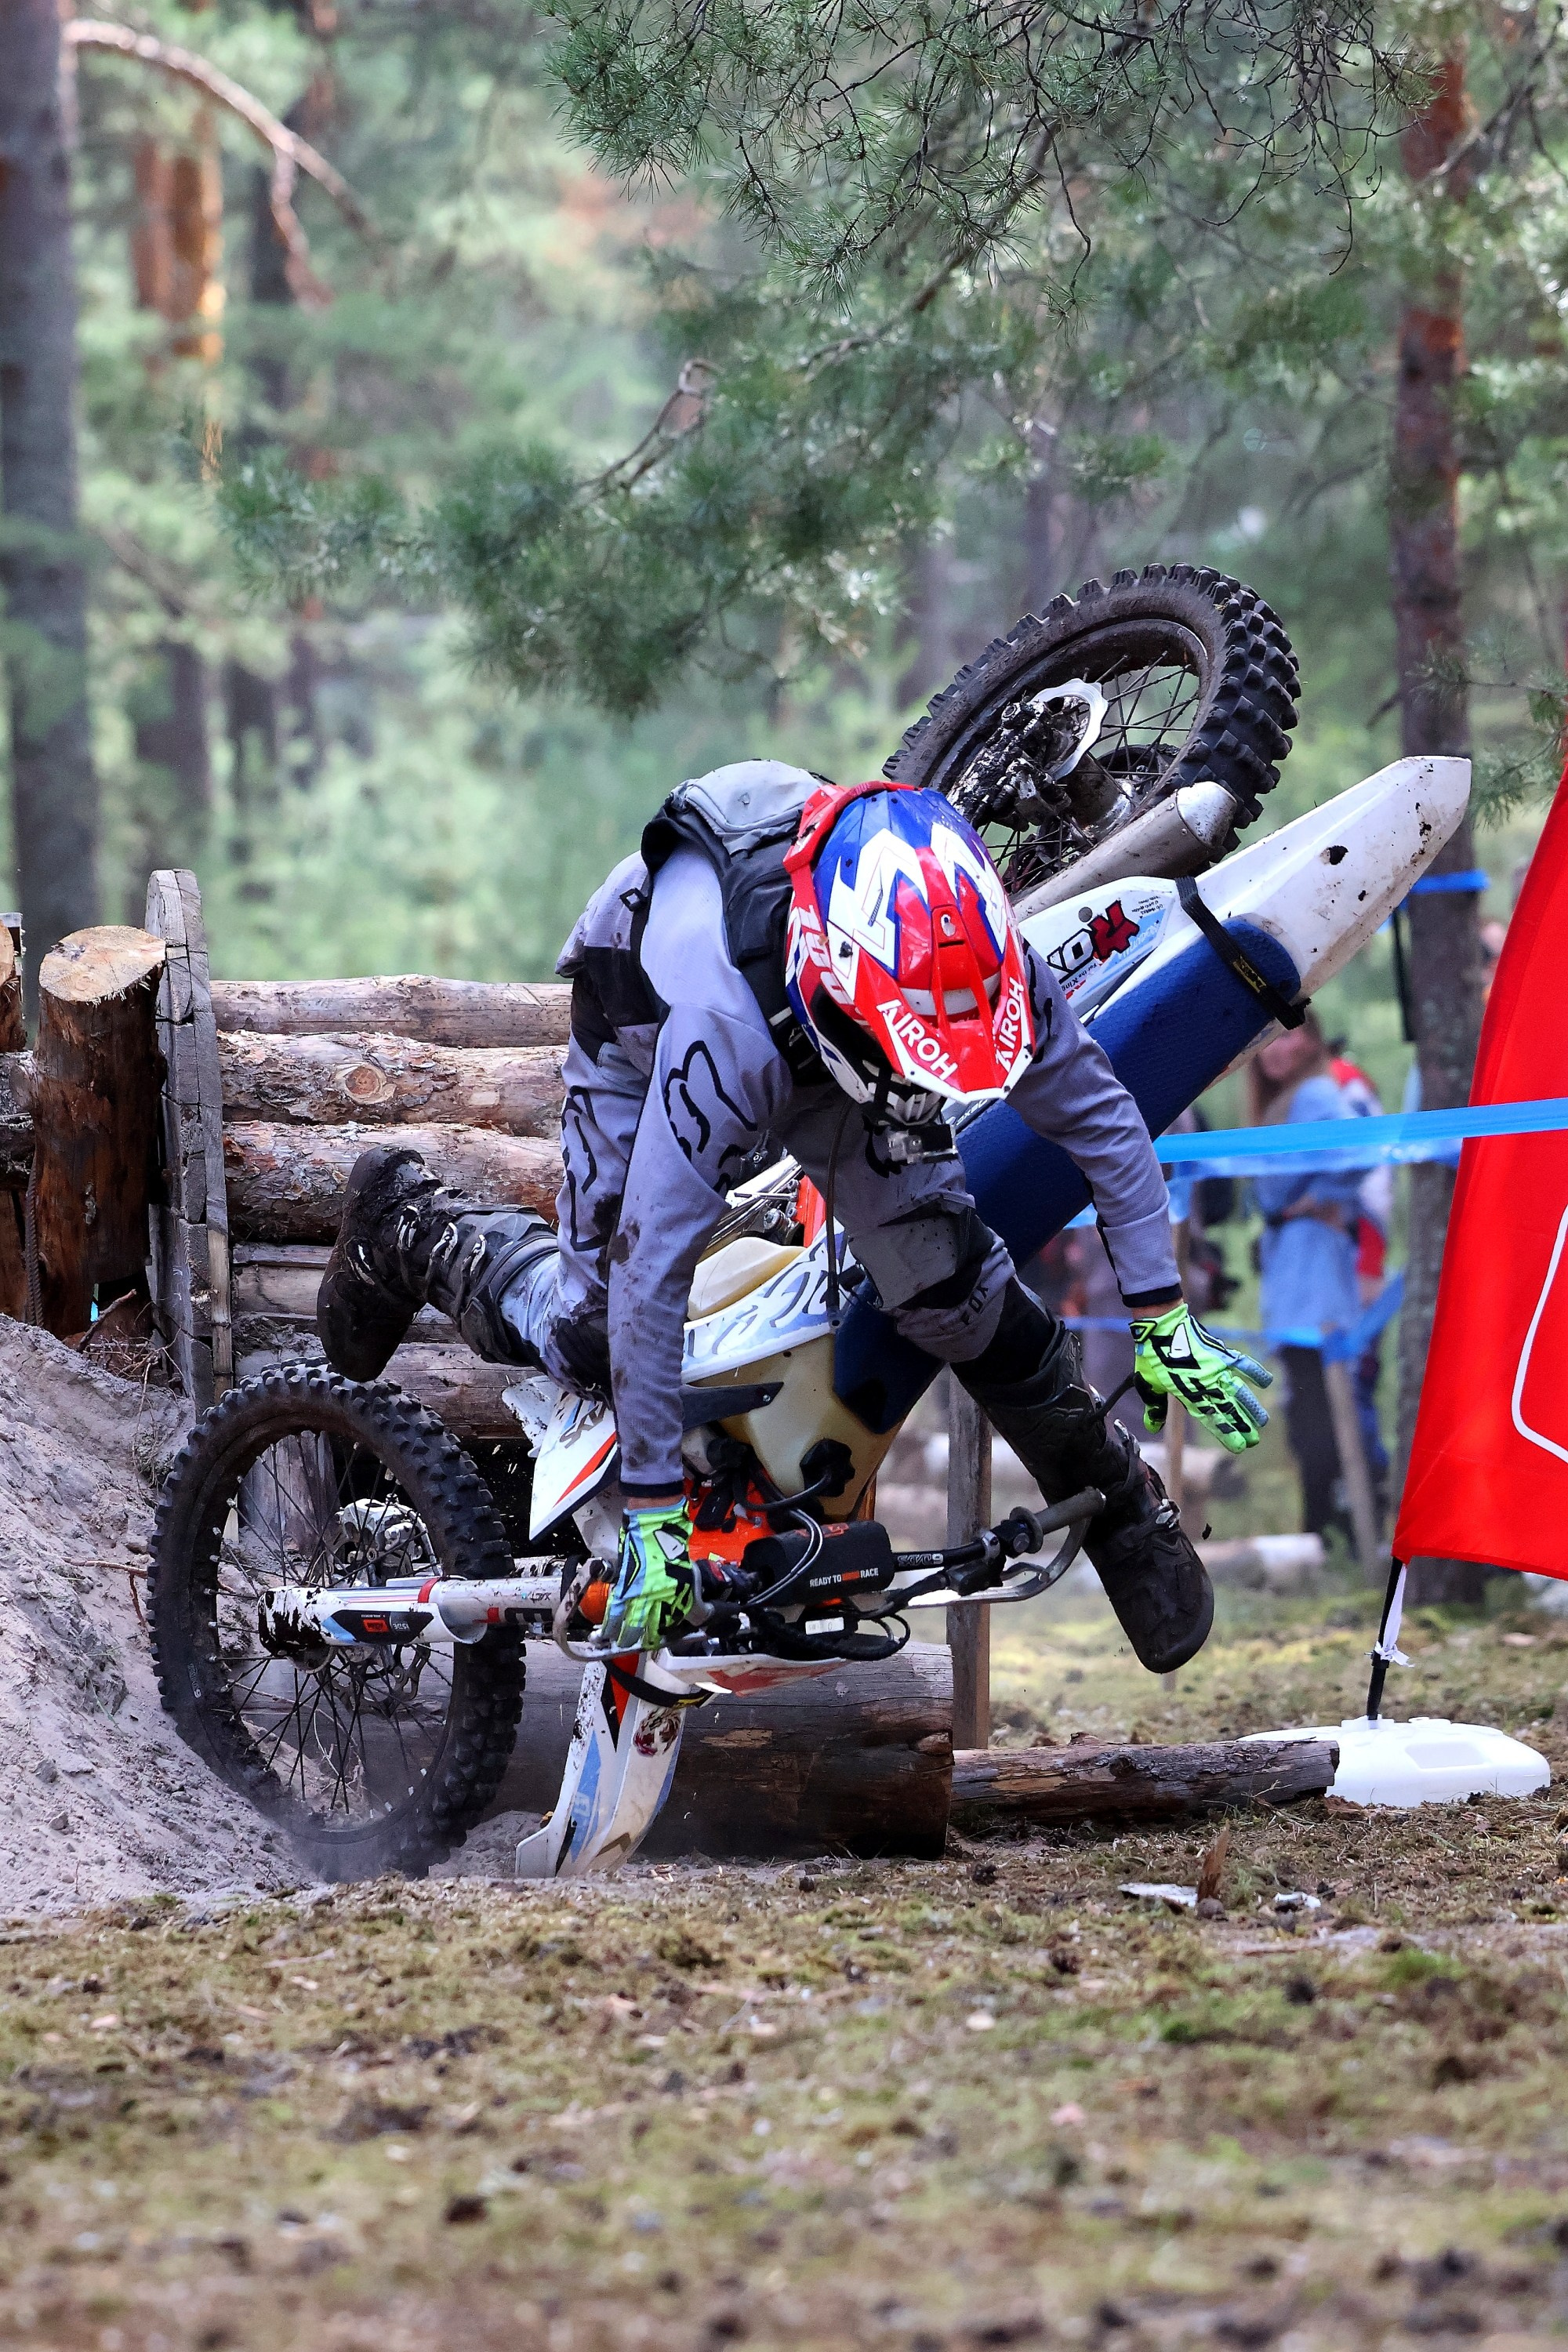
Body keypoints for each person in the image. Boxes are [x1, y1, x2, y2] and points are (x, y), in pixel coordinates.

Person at [317, 762, 1272, 1675]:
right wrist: (652, 1513)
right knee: (590, 1331)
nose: (926, 1088)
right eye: (914, 1063)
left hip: (838, 1006)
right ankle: (408, 1221)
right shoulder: (719, 1033)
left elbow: (1099, 1115)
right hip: (642, 1006)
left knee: (954, 1285)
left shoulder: (975, 957)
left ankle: (1116, 1502)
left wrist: (1160, 1314)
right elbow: (653, 1268)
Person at [1249, 1014, 1364, 1538]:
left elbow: (1357, 1151)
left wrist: (1318, 1201)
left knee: (1319, 1401)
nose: (1277, 1048)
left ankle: (1325, 1523)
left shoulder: (1315, 1094)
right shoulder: (1281, 1103)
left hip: (1312, 1267)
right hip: (1293, 1265)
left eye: (1288, 1033)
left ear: (1313, 1037)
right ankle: (1326, 1521)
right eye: (1266, 1038)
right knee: (1311, 1401)